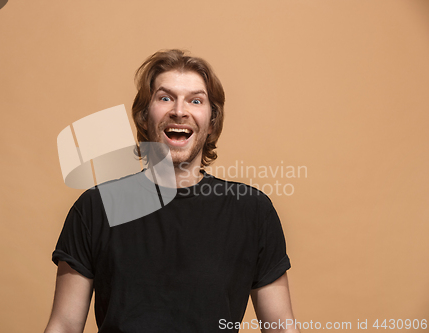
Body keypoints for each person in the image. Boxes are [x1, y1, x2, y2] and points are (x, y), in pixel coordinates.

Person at [44, 49, 300, 333]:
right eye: (165, 98)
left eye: (195, 100)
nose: (179, 111)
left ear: (212, 122)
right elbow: (65, 326)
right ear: (143, 117)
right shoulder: (96, 208)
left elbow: (280, 327)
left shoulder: (252, 212)